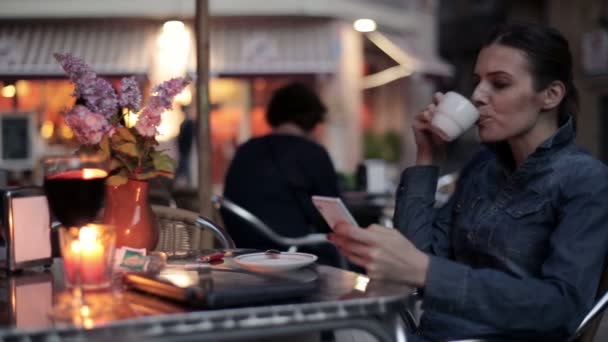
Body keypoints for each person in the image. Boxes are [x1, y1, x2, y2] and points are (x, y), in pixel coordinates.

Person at [329, 22, 608, 341]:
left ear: (551, 95)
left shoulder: (586, 180)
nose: (477, 96)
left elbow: (562, 308)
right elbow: (417, 256)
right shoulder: (482, 167)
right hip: (432, 332)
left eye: (499, 84)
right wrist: (427, 159)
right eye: (477, 82)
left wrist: (427, 272)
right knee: (338, 324)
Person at [222, 82, 341, 266]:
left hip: (244, 253)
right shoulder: (312, 153)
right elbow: (334, 218)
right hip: (294, 254)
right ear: (313, 118)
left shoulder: (246, 149)